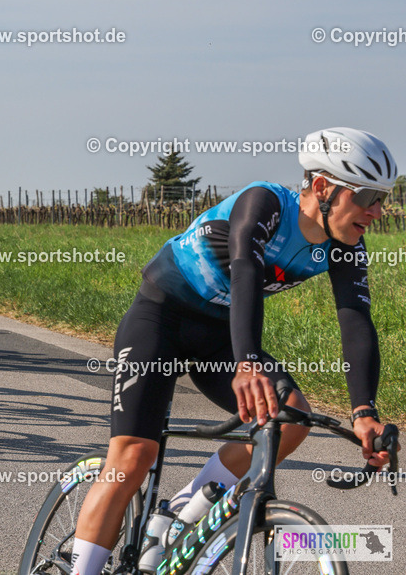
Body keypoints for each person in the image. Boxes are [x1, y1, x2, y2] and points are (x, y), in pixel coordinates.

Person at [69, 127, 398, 575]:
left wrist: (364, 412)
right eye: (367, 197)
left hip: (219, 337)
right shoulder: (264, 202)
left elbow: (356, 320)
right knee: (132, 457)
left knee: (290, 418)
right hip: (160, 319)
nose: (378, 211)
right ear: (322, 188)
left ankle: (183, 513)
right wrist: (247, 362)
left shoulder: (346, 246)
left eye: (383, 197)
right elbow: (245, 268)